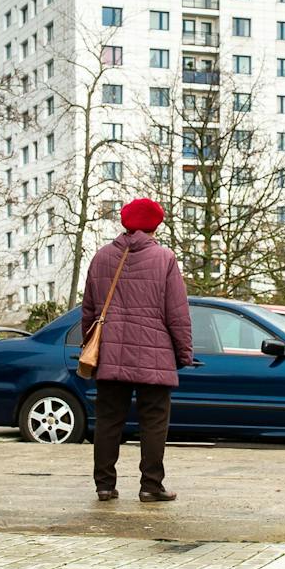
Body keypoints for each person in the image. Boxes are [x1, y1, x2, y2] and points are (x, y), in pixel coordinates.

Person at [81, 197, 192, 503]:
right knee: (154, 420)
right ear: (156, 225)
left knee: (108, 420)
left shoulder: (101, 257)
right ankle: (151, 486)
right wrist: (184, 353)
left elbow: (89, 311)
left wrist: (89, 348)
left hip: (110, 355)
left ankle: (104, 485)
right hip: (154, 355)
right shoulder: (165, 258)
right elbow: (177, 313)